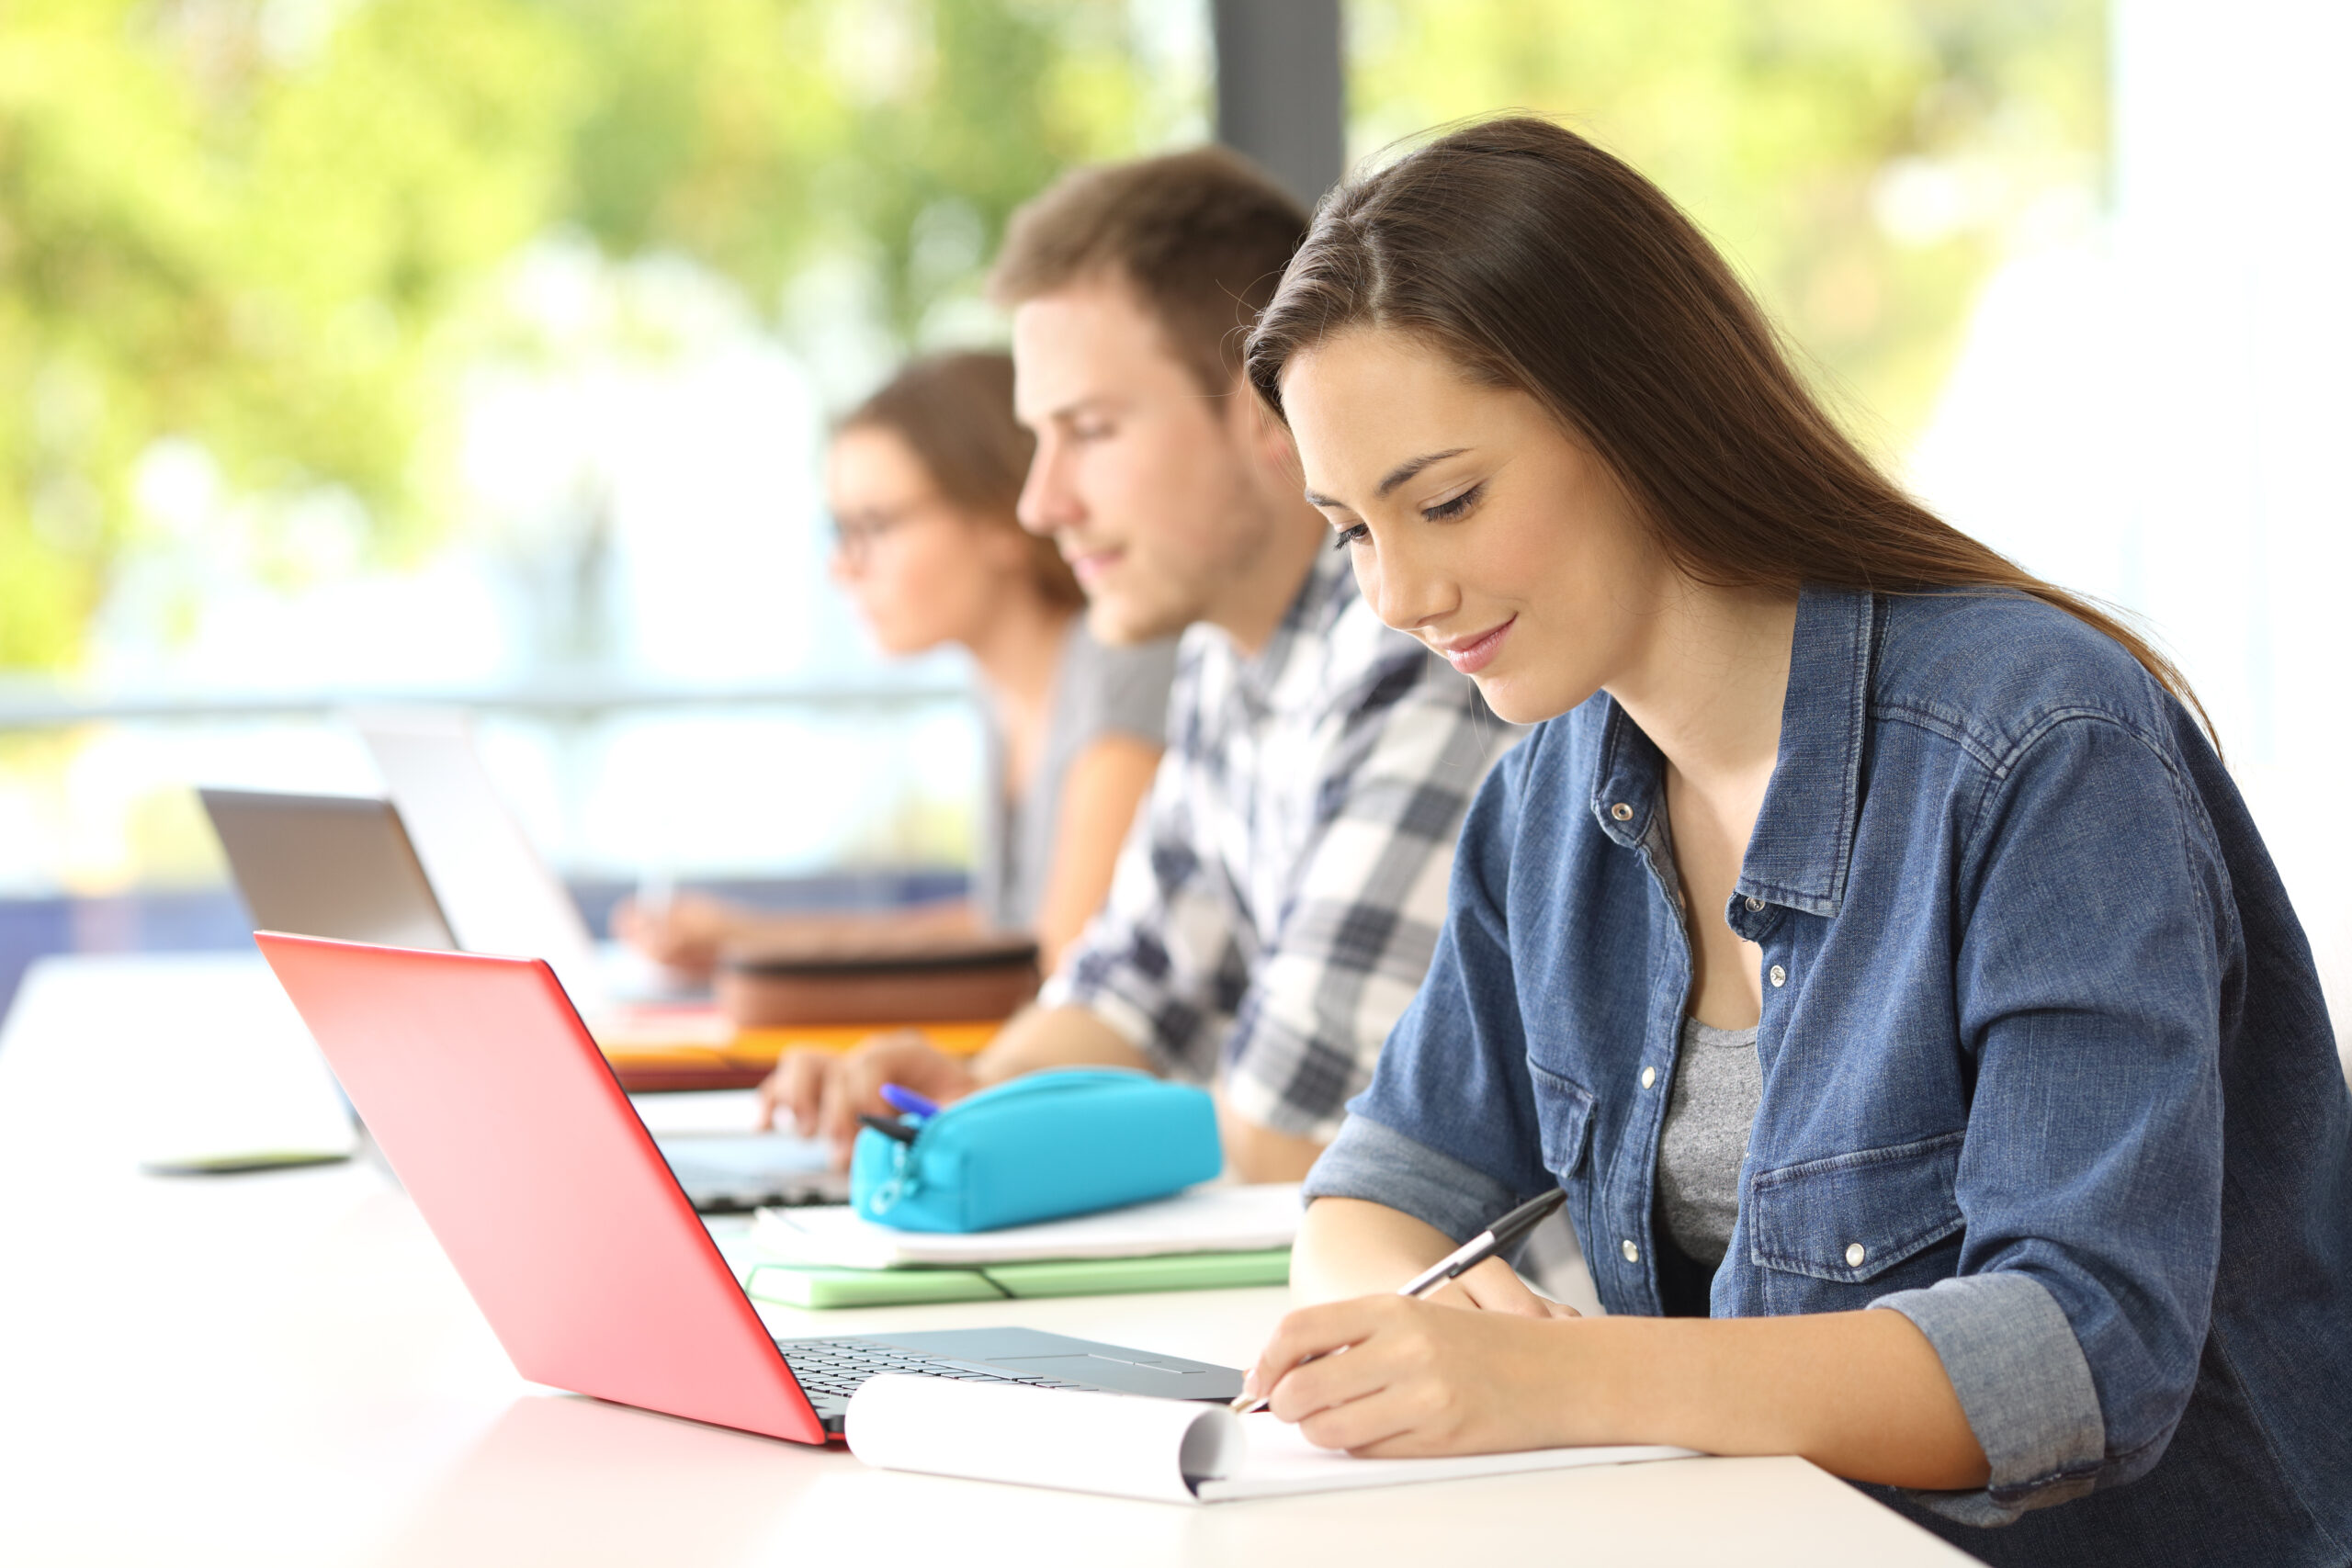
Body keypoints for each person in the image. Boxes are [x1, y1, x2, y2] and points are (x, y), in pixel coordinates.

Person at [1235, 117, 2352, 1565]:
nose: (1397, 593)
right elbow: (1382, 1182)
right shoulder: (1548, 800)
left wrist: (1558, 1378)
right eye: (1351, 531)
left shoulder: (2042, 745)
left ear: (1636, 412)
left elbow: (2078, 1349)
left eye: (1445, 500)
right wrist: (1425, 1324)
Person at [761, 148, 1514, 1181]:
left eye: (1090, 431)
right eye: (1038, 440)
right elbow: (1126, 991)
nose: (1041, 504)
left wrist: (992, 1134)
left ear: (1265, 405)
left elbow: (1285, 1133)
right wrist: (969, 1090)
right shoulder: (1223, 657)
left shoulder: (1418, 644)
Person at [619, 352, 1173, 978]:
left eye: (874, 525)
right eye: (839, 530)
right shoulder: (1003, 693)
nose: (843, 566)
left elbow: (1054, 967)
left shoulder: (1120, 669)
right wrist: (754, 940)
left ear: (1000, 515)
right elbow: (1001, 928)